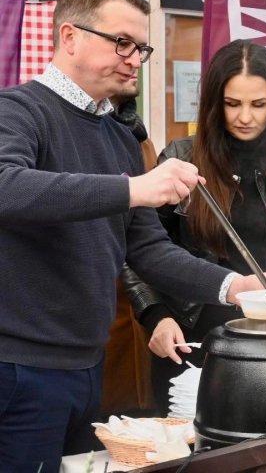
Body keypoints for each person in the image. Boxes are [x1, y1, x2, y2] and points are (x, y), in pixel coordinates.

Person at [0, 0, 266, 471]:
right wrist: (134, 189)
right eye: (122, 42)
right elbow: (7, 187)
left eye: (141, 47)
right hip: (19, 367)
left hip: (87, 364)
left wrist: (234, 287)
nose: (134, 58)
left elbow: (149, 249)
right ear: (69, 37)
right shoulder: (18, 110)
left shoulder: (118, 137)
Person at [124, 39, 266, 413]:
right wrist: (156, 317)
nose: (245, 116)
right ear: (215, 104)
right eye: (233, 104)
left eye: (259, 105)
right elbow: (138, 251)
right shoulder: (182, 159)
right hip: (193, 339)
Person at [104, 81, 156, 417]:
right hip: (96, 319)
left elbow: (147, 236)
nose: (133, 61)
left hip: (137, 309)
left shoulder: (138, 140)